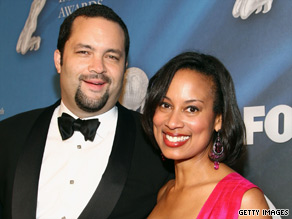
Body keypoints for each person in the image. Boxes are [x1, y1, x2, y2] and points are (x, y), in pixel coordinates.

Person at [0, 4, 173, 219]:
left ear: (125, 67)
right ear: (59, 60)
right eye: (84, 52)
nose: (97, 67)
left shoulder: (159, 147)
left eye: (111, 56)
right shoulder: (7, 137)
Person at [142, 51, 271, 218]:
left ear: (218, 120)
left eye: (191, 109)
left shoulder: (246, 202)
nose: (172, 122)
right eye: (165, 105)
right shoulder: (165, 193)